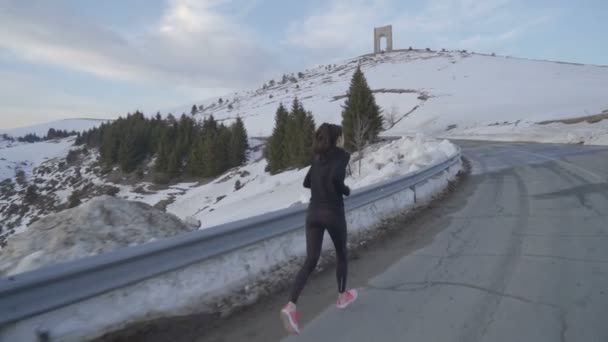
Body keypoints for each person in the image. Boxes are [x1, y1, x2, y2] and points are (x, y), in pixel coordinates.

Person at [280, 123, 358, 335]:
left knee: (310, 261)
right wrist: (345, 190)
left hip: (313, 213)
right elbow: (336, 178)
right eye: (342, 135)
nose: (343, 138)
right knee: (341, 254)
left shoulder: (317, 157)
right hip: (332, 212)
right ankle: (342, 297)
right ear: (337, 138)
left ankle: (291, 306)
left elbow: (306, 183)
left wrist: (320, 181)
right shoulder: (342, 155)